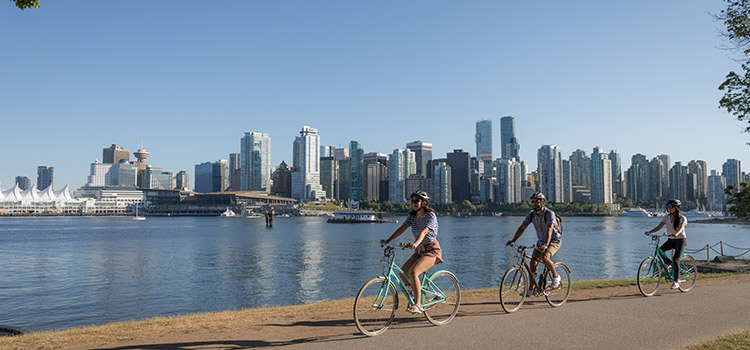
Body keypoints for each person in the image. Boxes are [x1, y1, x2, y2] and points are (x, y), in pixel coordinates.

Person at [380, 190, 443, 314]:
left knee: (414, 272)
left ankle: (418, 304)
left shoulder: (431, 216)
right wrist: (388, 240)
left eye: (417, 201)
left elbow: (424, 232)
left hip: (431, 251)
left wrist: (415, 243)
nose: (414, 203)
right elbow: (402, 228)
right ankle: (416, 291)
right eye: (412, 201)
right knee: (403, 274)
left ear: (424, 202)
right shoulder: (412, 216)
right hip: (420, 251)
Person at [506, 192, 562, 296]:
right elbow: (522, 227)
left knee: (545, 258)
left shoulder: (549, 213)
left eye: (537, 201)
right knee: (532, 263)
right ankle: (531, 289)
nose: (534, 204)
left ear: (543, 203)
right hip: (540, 242)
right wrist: (513, 240)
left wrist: (546, 244)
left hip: (554, 241)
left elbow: (549, 229)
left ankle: (556, 278)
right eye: (533, 202)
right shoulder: (531, 214)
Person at [645, 199, 687, 289]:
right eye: (667, 207)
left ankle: (676, 281)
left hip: (680, 240)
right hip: (671, 240)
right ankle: (670, 264)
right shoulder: (666, 218)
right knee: (660, 251)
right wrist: (649, 232)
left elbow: (681, 228)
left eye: (670, 207)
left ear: (676, 208)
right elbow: (658, 227)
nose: (668, 208)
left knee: (676, 259)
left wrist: (676, 234)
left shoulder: (682, 218)